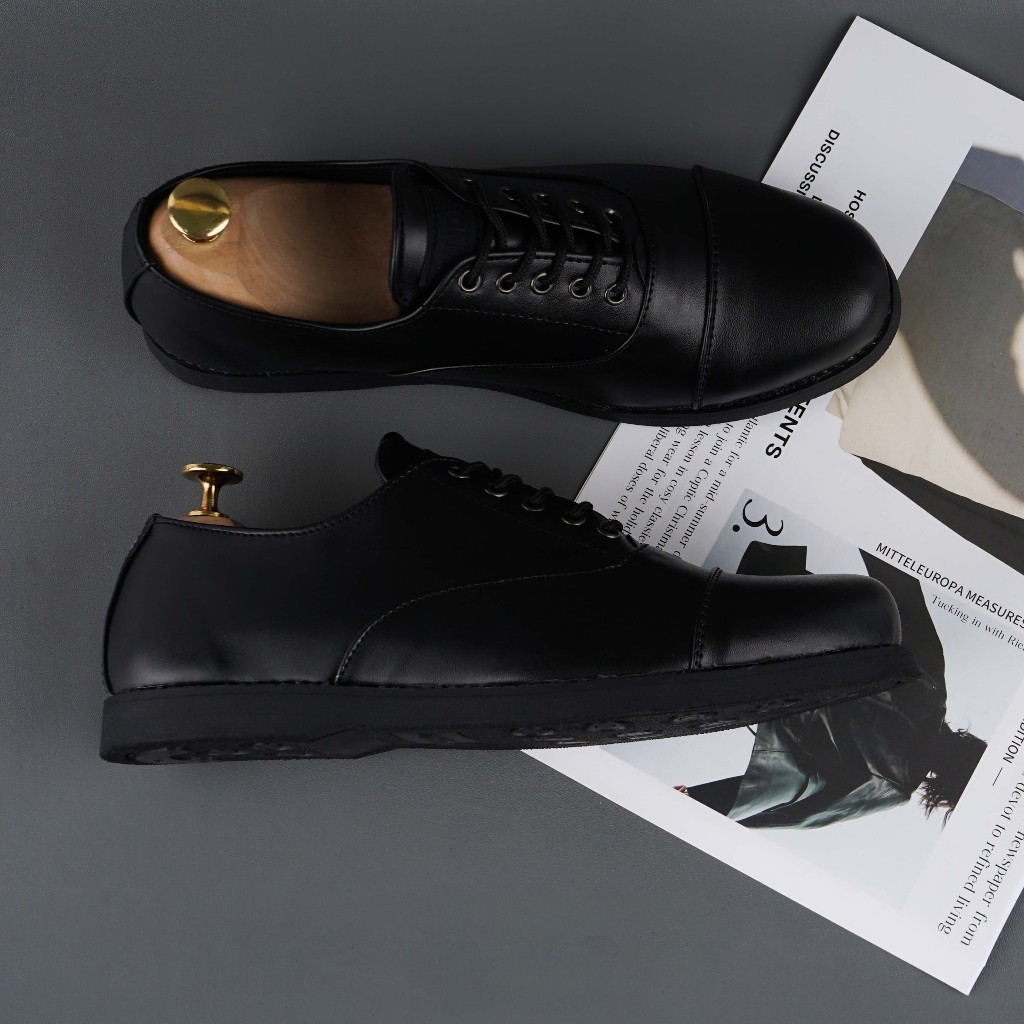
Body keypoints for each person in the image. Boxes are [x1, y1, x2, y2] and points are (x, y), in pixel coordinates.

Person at [681, 544, 987, 828]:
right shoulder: (892, 784)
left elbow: (897, 577)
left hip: (771, 605)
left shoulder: (930, 684)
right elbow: (798, 795)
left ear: (974, 746)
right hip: (733, 658)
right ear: (949, 791)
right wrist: (697, 800)